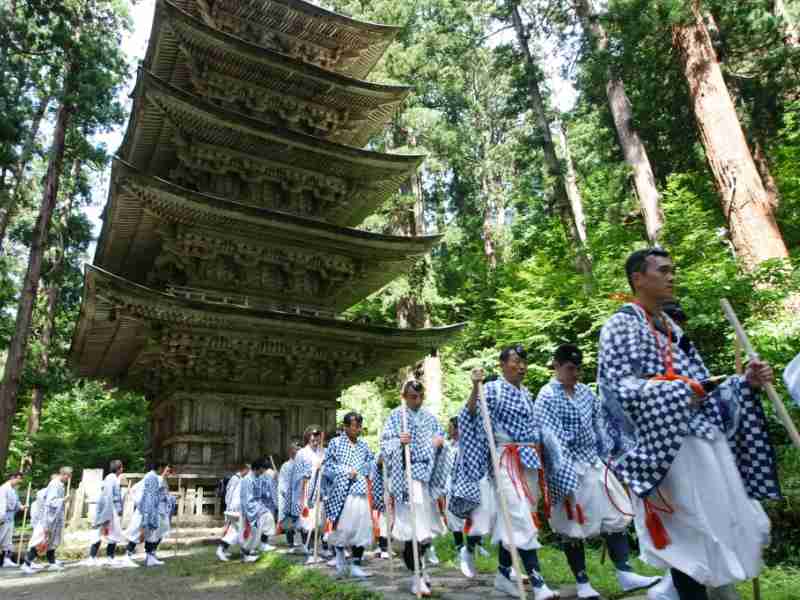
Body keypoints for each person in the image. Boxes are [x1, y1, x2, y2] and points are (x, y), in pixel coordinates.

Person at [598, 248, 779, 600]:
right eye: (662, 270)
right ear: (638, 278)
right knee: (689, 536)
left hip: (703, 443)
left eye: (672, 270)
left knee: (720, 529)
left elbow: (703, 384)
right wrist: (678, 393)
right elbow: (615, 391)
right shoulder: (620, 325)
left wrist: (744, 383)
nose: (671, 276)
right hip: (665, 449)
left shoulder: (671, 328)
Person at [533, 344, 660, 598]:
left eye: (578, 368)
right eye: (570, 368)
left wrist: (614, 461)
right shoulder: (547, 396)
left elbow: (601, 428)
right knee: (573, 527)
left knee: (616, 516)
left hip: (593, 461)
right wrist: (565, 480)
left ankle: (625, 572)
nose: (575, 373)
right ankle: (582, 582)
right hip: (567, 466)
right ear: (556, 366)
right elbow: (551, 441)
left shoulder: (586, 393)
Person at [452, 346, 562, 600]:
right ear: (502, 364)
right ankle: (537, 581)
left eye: (524, 361)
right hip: (505, 460)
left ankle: (503, 574)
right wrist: (474, 386)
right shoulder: (491, 389)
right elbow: (468, 415)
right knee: (520, 515)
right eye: (516, 361)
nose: (521, 366)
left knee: (513, 518)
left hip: (529, 460)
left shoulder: (526, 393)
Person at [381, 379, 448, 597]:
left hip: (426, 477)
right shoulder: (395, 416)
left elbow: (441, 439)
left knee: (425, 528)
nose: (417, 400)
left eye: (420, 396)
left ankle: (422, 569)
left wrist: (439, 443)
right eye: (412, 397)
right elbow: (384, 446)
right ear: (404, 397)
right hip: (407, 478)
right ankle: (416, 576)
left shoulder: (429, 417)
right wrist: (398, 441)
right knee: (413, 527)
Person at [321, 411, 375, 579]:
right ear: (345, 427)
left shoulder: (364, 445)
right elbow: (328, 466)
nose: (358, 429)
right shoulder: (335, 444)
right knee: (343, 527)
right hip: (342, 491)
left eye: (360, 426)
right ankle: (339, 559)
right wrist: (345, 471)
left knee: (362, 528)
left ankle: (357, 564)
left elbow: (370, 463)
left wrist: (374, 465)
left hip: (360, 490)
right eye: (355, 426)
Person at [22, 467, 72, 574]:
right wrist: (63, 500)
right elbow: (51, 502)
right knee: (41, 541)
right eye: (68, 475)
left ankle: (52, 562)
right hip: (48, 518)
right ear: (64, 474)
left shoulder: (60, 485)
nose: (69, 478)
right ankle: (26, 563)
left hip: (54, 518)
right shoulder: (55, 484)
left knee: (52, 541)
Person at [123, 462, 173, 567]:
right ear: (160, 468)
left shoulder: (152, 477)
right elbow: (148, 497)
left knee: (152, 534)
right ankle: (127, 557)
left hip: (151, 510)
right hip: (146, 510)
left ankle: (150, 557)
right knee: (136, 534)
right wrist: (146, 515)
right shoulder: (152, 478)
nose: (165, 472)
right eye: (165, 469)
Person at [296, 425, 330, 560]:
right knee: (309, 520)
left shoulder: (325, 452)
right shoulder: (302, 453)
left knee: (322, 520)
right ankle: (309, 548)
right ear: (308, 437)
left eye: (318, 436)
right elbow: (299, 474)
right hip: (308, 489)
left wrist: (324, 468)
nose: (315, 439)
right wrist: (314, 469)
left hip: (323, 490)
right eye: (313, 436)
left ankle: (323, 547)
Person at [84, 460, 127, 567]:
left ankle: (95, 557)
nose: (122, 469)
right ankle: (106, 557)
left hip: (108, 509)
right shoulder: (111, 479)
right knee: (112, 534)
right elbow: (108, 497)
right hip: (109, 509)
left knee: (105, 534)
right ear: (118, 468)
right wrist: (107, 515)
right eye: (121, 467)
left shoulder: (112, 478)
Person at [239, 458, 274, 562]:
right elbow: (247, 500)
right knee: (252, 533)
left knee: (268, 518)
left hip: (258, 508)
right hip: (250, 510)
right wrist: (255, 512)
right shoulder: (247, 480)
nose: (262, 473)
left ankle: (262, 544)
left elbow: (260, 494)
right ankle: (246, 554)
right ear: (257, 469)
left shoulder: (257, 477)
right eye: (262, 471)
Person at [217, 463, 250, 561]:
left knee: (236, 532)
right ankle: (222, 549)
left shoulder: (242, 479)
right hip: (234, 509)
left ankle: (245, 553)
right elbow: (230, 493)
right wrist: (229, 507)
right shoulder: (237, 479)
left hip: (236, 508)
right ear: (244, 469)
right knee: (235, 532)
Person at [278, 443, 302, 550]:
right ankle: (290, 543)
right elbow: (282, 481)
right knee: (289, 520)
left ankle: (302, 542)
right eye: (296, 449)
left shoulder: (301, 465)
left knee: (300, 519)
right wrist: (284, 493)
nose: (297, 451)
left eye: (298, 449)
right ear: (291, 452)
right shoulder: (286, 465)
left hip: (298, 496)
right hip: (288, 496)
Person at [0, 472, 25, 568]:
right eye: (18, 479)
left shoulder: (13, 490)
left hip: (11, 517)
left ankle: (7, 559)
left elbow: (17, 502)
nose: (19, 481)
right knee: (1, 537)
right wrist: (1, 517)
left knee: (8, 540)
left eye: (20, 479)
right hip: (3, 516)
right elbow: (1, 503)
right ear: (12, 478)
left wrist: (21, 507)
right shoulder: (3, 489)